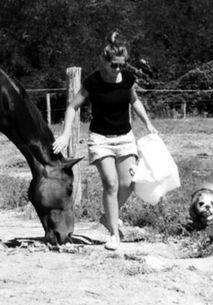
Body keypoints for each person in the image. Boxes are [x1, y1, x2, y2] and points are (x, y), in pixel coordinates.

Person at [53, 31, 157, 250]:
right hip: (100, 139)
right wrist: (64, 134)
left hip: (125, 137)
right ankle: (113, 233)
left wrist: (148, 123)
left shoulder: (128, 79)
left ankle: (108, 216)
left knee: (128, 184)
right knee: (110, 183)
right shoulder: (93, 82)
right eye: (114, 65)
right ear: (105, 62)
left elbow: (134, 101)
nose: (118, 69)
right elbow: (72, 107)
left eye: (121, 65)